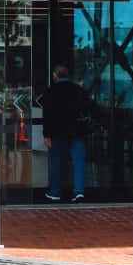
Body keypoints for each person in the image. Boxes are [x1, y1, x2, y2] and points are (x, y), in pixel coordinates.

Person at [40, 64, 90, 202]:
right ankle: (79, 191)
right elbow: (88, 107)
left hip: (57, 131)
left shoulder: (51, 91)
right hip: (77, 131)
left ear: (55, 76)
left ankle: (55, 192)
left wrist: (47, 134)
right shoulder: (78, 90)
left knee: (56, 162)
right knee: (78, 161)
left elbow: (47, 114)